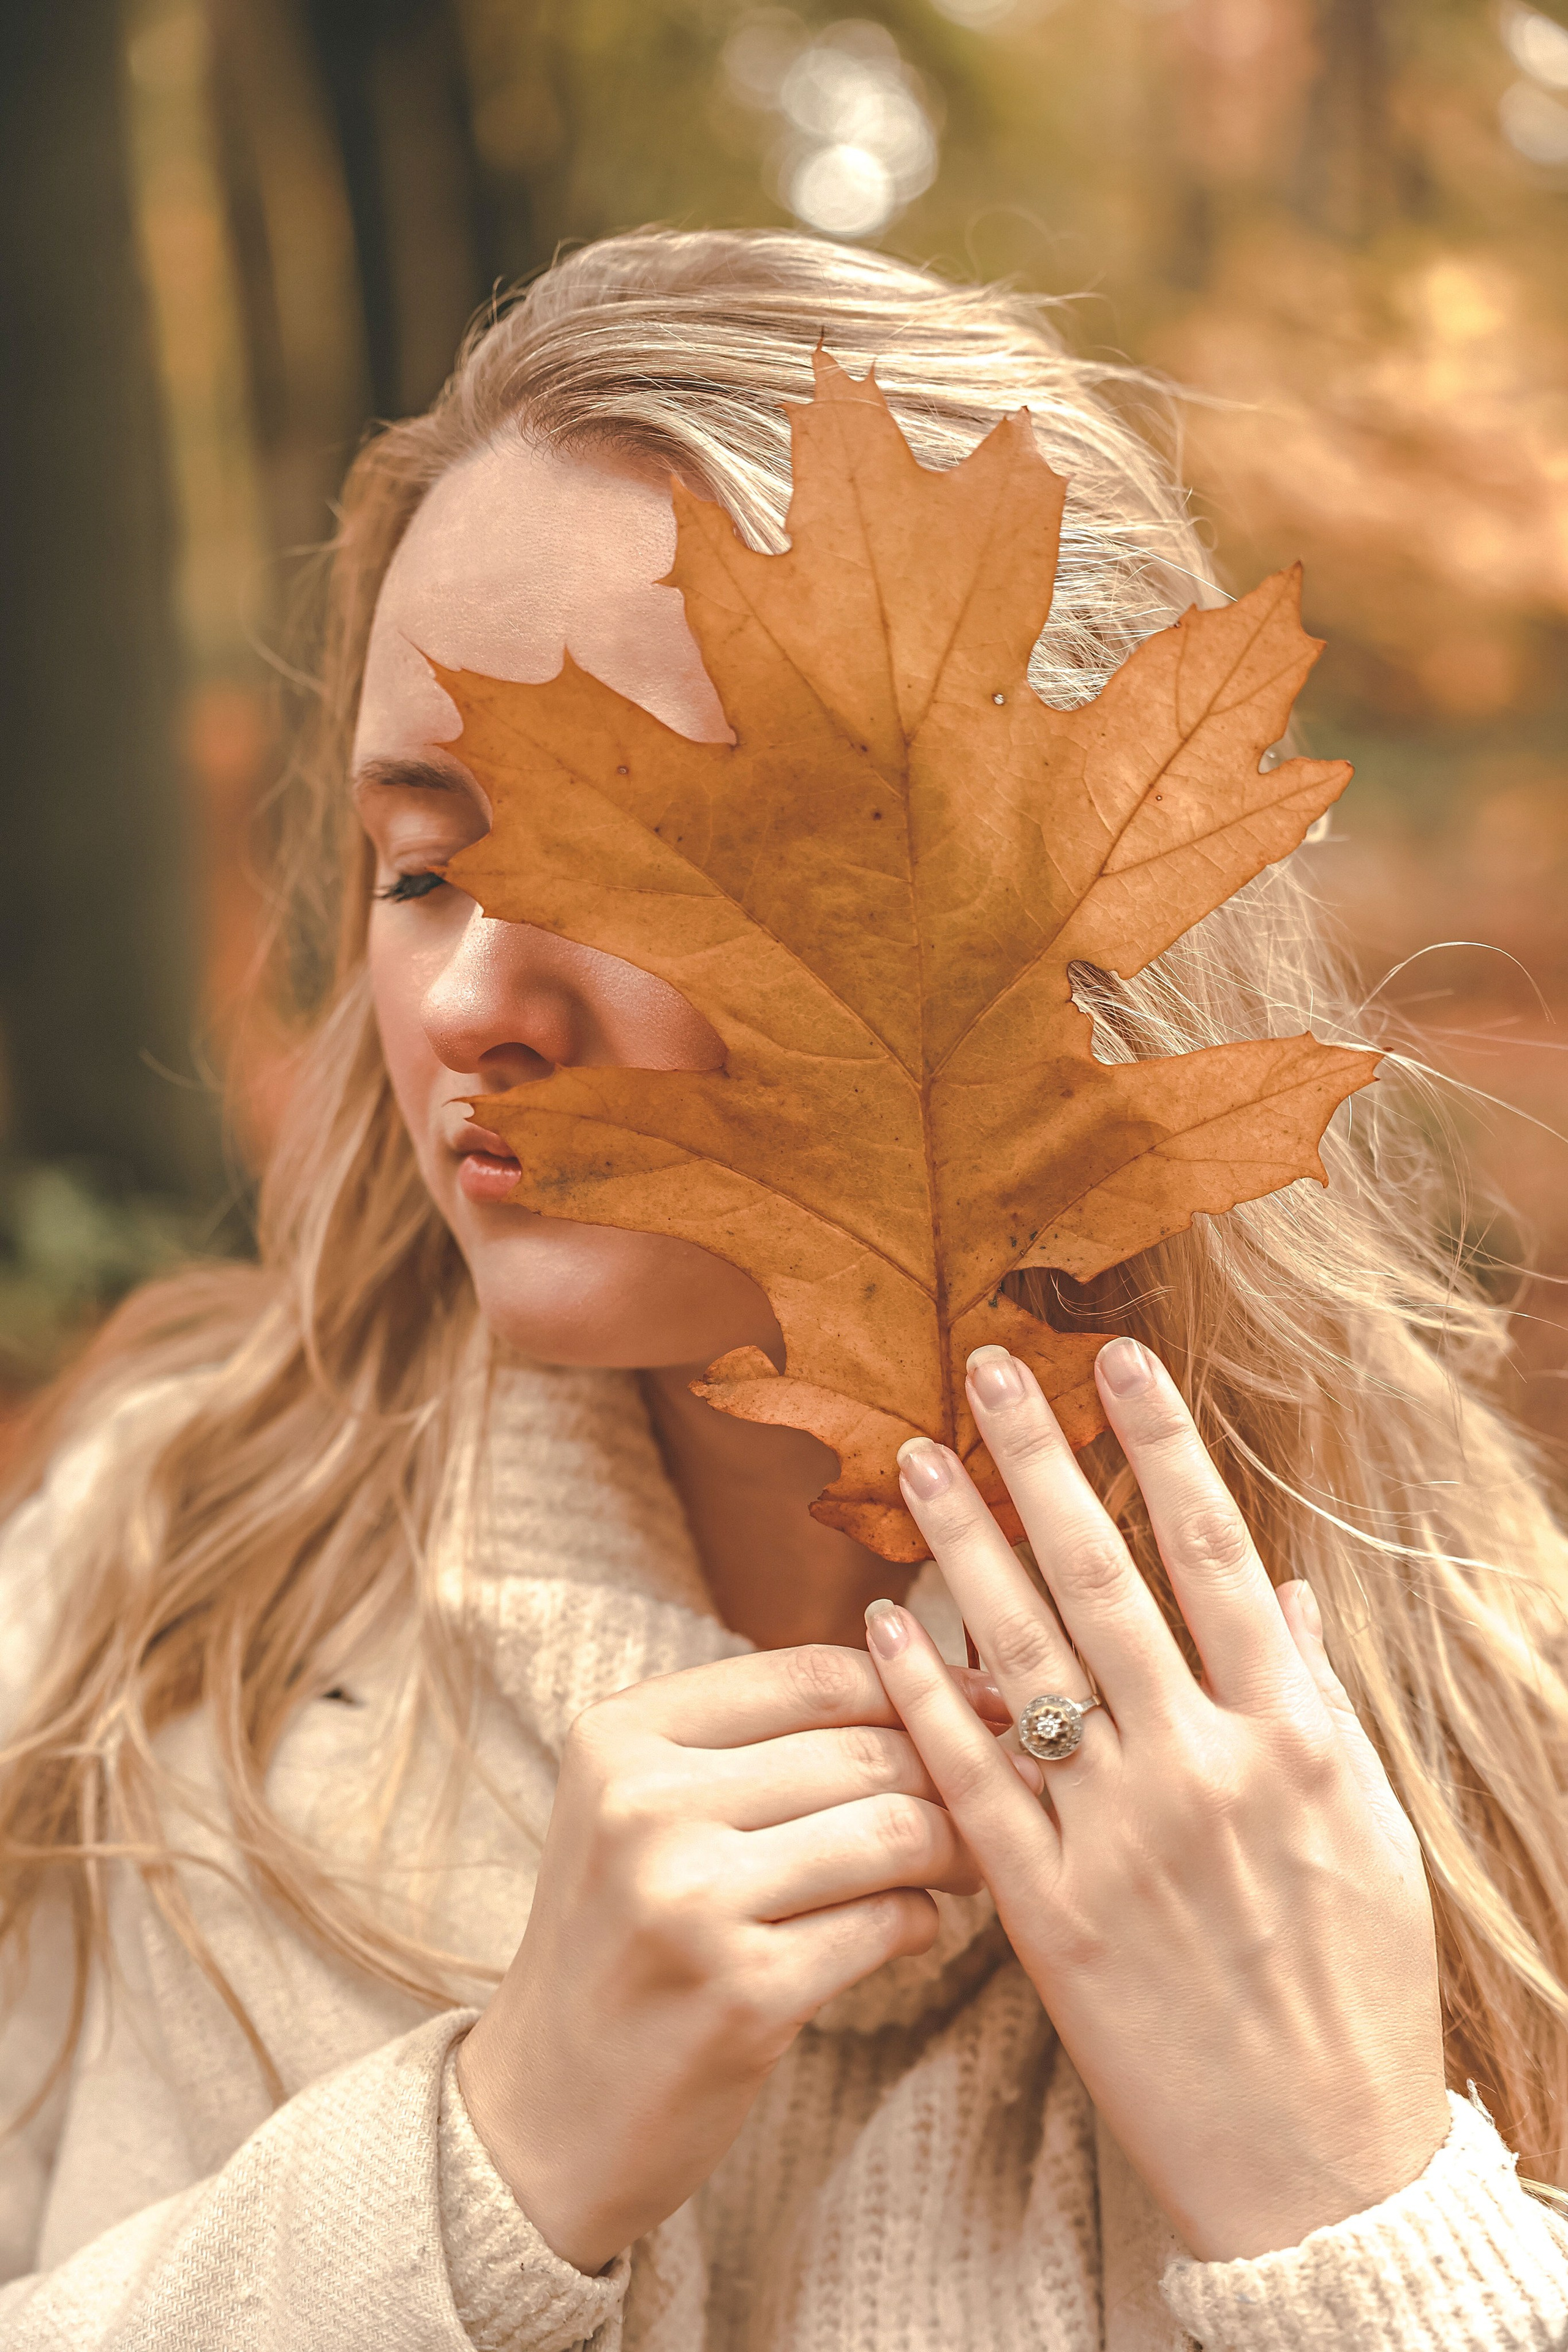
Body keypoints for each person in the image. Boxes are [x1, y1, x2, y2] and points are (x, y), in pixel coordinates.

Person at [1, 228, 1566, 2352]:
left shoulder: (1475, 1693)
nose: (474, 996)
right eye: (423, 864)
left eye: (651, 872)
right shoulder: (157, 1599)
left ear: (1051, 928)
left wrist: (1358, 2214)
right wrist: (475, 2178)